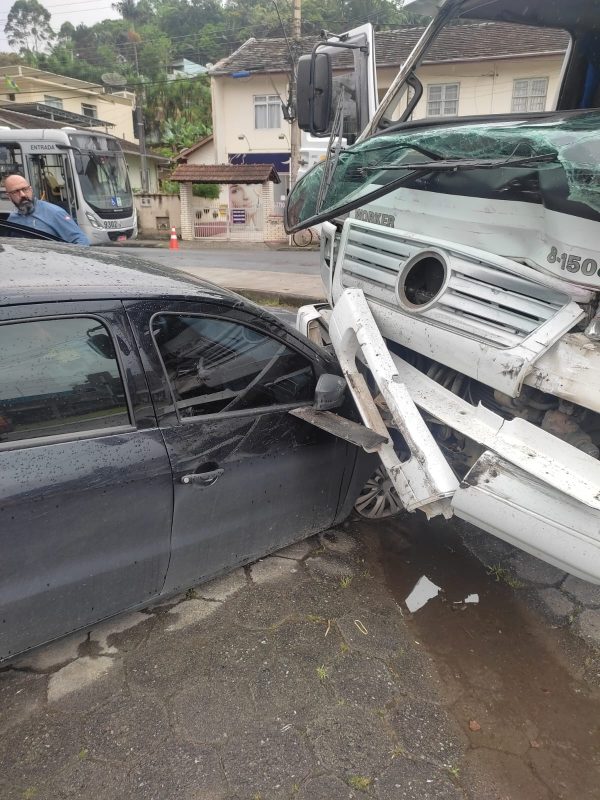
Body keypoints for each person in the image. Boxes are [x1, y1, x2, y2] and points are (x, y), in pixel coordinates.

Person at [4, 174, 90, 246]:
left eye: (25, 189)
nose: (22, 194)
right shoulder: (11, 220)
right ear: (9, 197)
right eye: (16, 192)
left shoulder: (55, 213)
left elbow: (81, 241)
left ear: (31, 189)